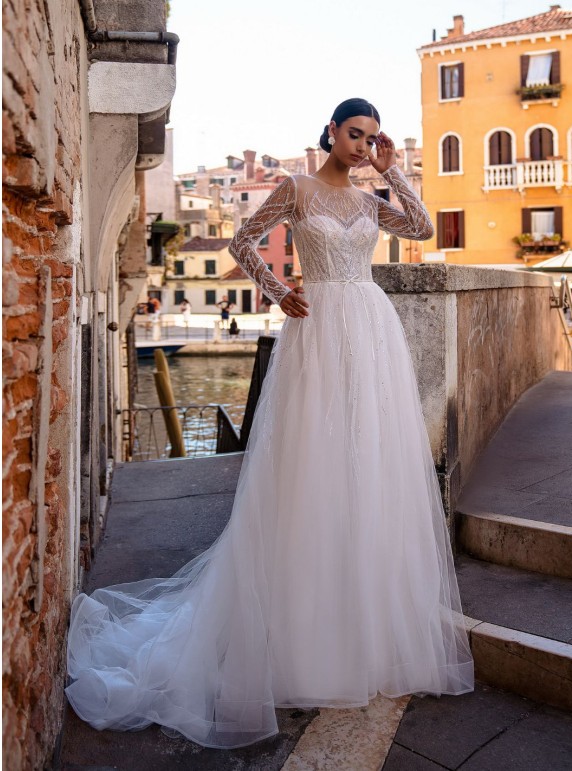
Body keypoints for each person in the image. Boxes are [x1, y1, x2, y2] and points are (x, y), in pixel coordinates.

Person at [65, 98, 474, 749]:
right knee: (312, 467)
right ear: (332, 132)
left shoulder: (370, 200)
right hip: (317, 331)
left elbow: (422, 227)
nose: (362, 146)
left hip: (370, 334)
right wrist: (279, 291)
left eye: (371, 138)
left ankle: (358, 619)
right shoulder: (296, 188)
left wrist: (393, 170)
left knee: (367, 467)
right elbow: (240, 241)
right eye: (355, 134)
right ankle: (303, 629)